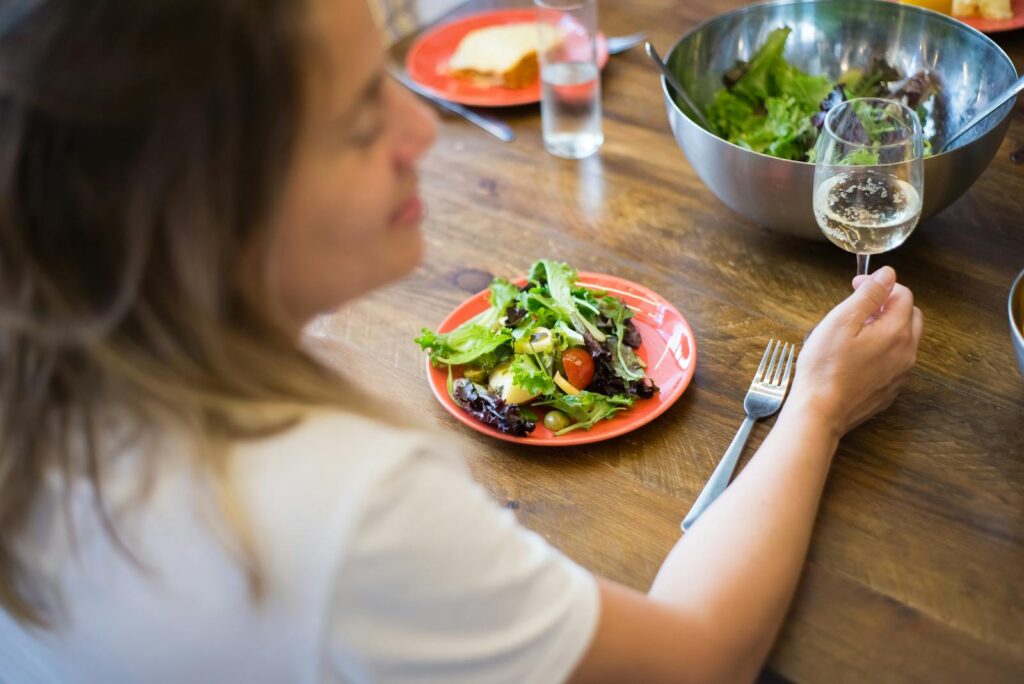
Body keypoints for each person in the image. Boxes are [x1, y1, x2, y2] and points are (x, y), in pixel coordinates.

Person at [0, 1, 922, 682]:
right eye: (365, 115)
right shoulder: (347, 507)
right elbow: (700, 658)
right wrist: (817, 409)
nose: (422, 127)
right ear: (203, 209)